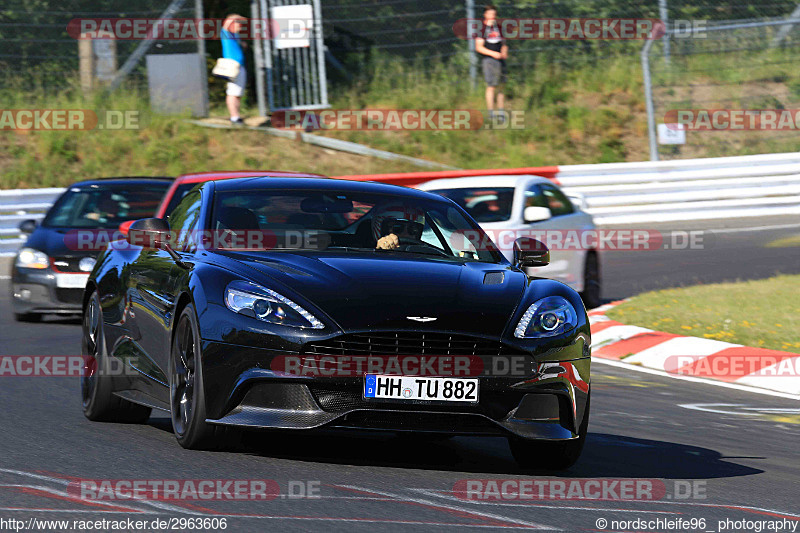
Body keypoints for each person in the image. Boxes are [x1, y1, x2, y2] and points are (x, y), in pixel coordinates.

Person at [474, 5, 508, 122]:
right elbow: (479, 47)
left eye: (494, 14)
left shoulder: (498, 27)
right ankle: (491, 113)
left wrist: (504, 51)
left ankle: (501, 113)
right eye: (491, 14)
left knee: (501, 86)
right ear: (485, 15)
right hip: (489, 61)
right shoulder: (482, 30)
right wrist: (493, 54)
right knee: (491, 86)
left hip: (500, 60)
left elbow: (504, 43)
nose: (493, 16)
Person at [221, 14, 247, 125]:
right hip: (232, 66)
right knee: (232, 92)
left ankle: (236, 116)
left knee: (237, 93)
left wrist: (243, 44)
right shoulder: (226, 33)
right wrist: (241, 17)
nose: (240, 26)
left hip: (239, 66)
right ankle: (234, 118)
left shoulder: (235, 36)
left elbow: (239, 44)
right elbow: (229, 19)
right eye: (238, 23)